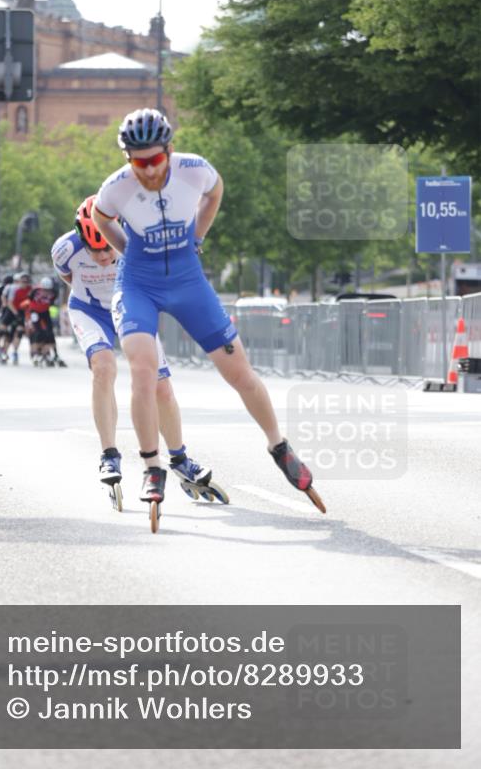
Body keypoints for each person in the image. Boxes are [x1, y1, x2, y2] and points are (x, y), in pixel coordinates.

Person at [91, 108, 325, 512]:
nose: (147, 170)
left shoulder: (195, 170)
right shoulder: (117, 187)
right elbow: (100, 216)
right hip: (138, 286)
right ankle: (152, 465)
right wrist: (128, 252)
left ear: (170, 150)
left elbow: (216, 193)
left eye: (154, 160)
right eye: (137, 161)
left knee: (239, 372)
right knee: (144, 371)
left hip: (188, 281)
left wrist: (197, 235)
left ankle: (279, 446)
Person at [51, 196, 210, 498]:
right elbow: (68, 278)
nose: (101, 256)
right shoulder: (64, 250)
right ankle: (109, 455)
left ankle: (180, 459)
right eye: (93, 249)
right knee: (103, 368)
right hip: (88, 309)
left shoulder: (140, 245)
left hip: (130, 307)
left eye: (107, 248)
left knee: (161, 387)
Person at [21, 277, 67, 367]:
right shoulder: (35, 291)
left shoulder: (54, 292)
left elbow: (52, 302)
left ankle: (53, 354)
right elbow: (29, 299)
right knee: (38, 332)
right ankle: (37, 353)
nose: (46, 292)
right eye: (44, 290)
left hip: (45, 312)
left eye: (48, 290)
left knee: (50, 333)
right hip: (35, 312)